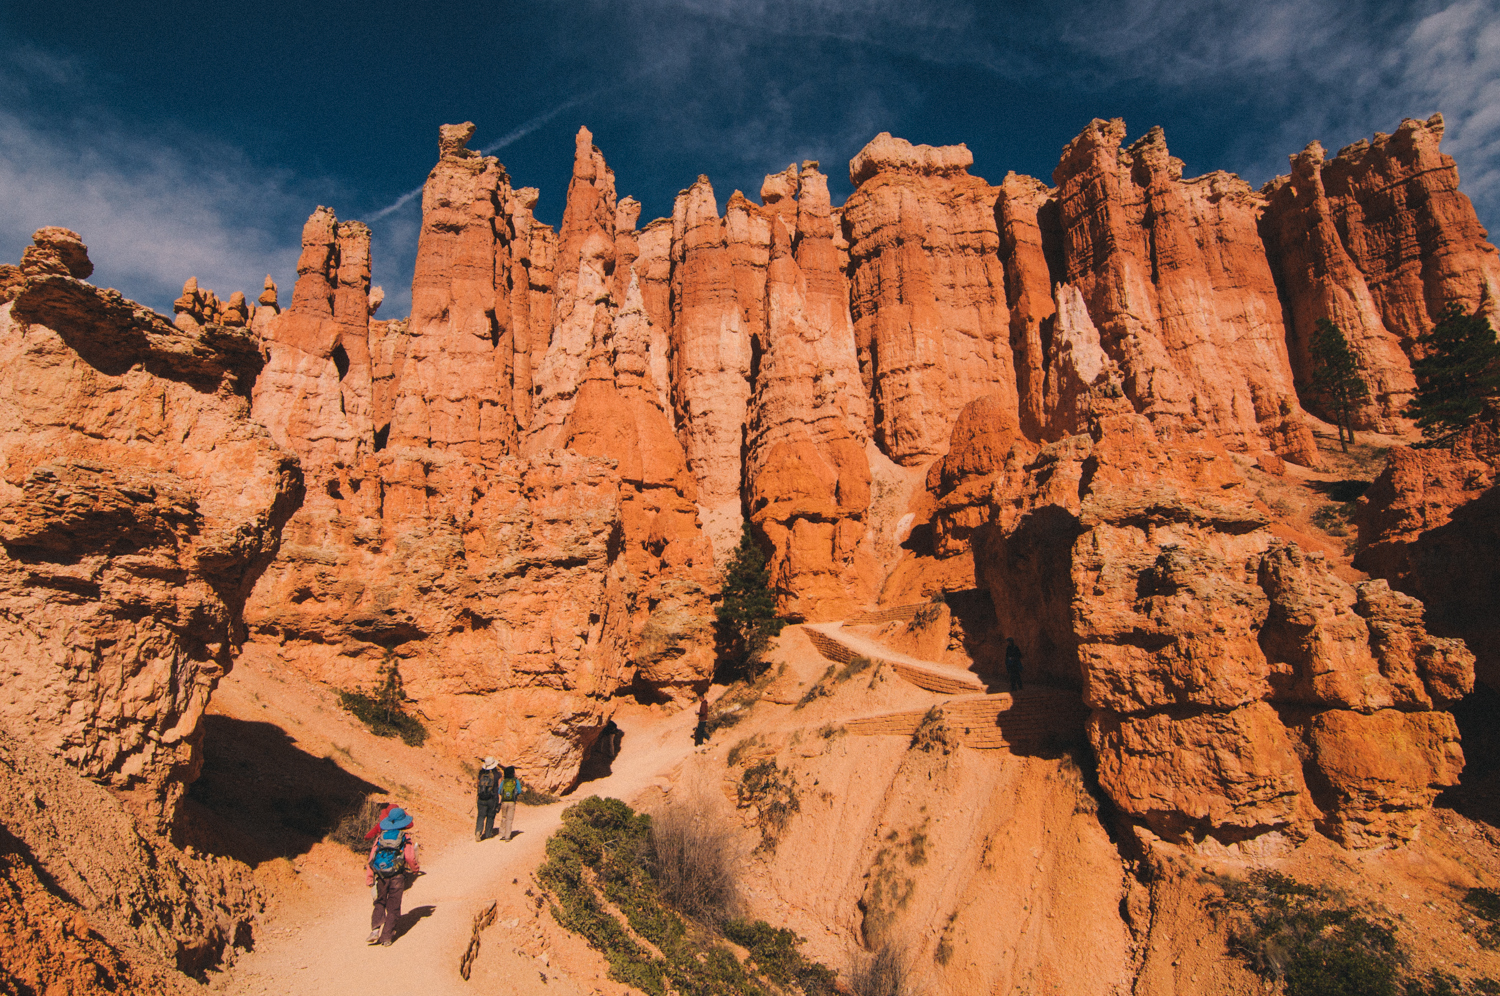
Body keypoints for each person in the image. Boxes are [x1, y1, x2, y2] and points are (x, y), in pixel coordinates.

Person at [365, 806, 420, 946]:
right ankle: (387, 937)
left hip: (381, 876)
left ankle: (375, 929)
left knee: (380, 902)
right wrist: (415, 869)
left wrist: (370, 877)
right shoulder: (404, 837)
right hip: (397, 876)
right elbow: (409, 857)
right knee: (393, 906)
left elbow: (372, 858)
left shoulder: (380, 837)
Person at [475, 757, 500, 841]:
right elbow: (499, 787)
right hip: (492, 798)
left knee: (481, 816)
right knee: (490, 816)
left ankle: (478, 832)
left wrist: (478, 795)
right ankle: (488, 834)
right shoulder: (497, 774)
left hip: (481, 798)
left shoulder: (481, 773)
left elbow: (477, 784)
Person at [498, 766, 523, 842]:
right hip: (512, 802)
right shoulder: (515, 781)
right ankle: (507, 836)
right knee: (509, 819)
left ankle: (502, 834)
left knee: (504, 817)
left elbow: (499, 791)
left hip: (504, 801)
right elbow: (519, 791)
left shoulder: (504, 781)